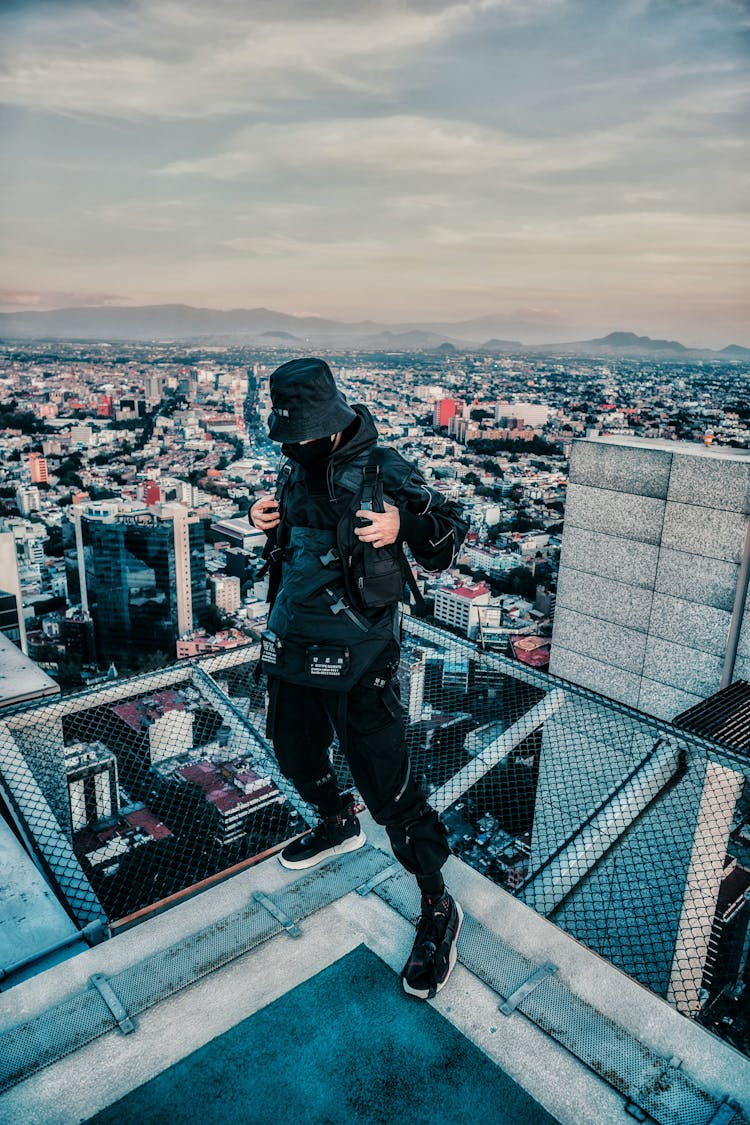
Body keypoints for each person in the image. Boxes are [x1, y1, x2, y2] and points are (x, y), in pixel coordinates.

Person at [250, 356, 467, 999]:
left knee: (389, 782)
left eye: (301, 434)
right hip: (294, 636)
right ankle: (334, 818)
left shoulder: (385, 468)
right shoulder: (295, 466)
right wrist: (270, 514)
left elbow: (451, 531)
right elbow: (299, 535)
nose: (293, 445)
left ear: (332, 423)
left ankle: (436, 904)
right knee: (291, 746)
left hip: (363, 646)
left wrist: (408, 525)